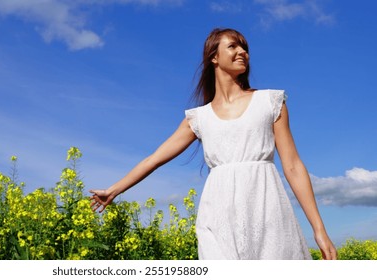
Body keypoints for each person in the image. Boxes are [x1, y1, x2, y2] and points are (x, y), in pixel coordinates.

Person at [89, 28, 337, 260]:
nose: (243, 52)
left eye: (244, 48)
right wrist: (113, 190)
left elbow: (292, 166)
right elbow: (154, 159)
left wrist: (319, 229)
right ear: (214, 58)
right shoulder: (198, 118)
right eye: (233, 46)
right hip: (217, 214)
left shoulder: (270, 101)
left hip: (266, 207)